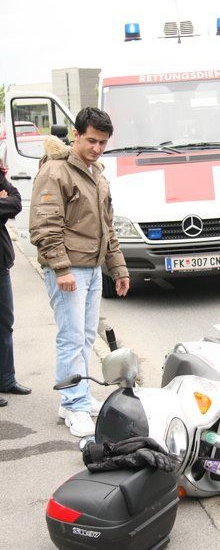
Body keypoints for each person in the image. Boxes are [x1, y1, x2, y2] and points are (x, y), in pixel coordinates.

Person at [29, 107, 130, 437]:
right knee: (71, 339)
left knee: (85, 337)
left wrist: (118, 267)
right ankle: (74, 405)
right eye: (91, 141)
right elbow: (44, 225)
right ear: (76, 135)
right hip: (69, 269)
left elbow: (107, 226)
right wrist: (61, 269)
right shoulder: (56, 171)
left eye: (103, 142)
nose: (97, 148)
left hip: (92, 268)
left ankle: (77, 397)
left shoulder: (95, 171)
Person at [0, 168, 32, 406]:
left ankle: (6, 379)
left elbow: (16, 201)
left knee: (5, 323)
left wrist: (5, 201)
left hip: (1, 264)